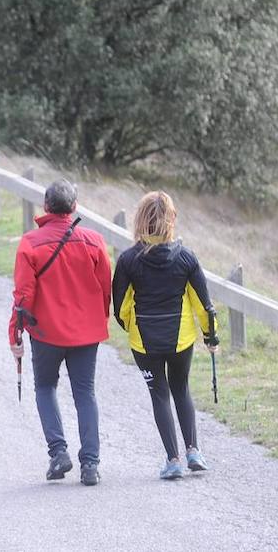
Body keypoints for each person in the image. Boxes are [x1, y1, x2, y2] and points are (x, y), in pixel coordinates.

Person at [8, 180, 112, 487]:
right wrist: (97, 318)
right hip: (85, 333)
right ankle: (90, 464)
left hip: (45, 331)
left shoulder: (30, 243)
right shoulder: (94, 241)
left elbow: (23, 295)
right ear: (75, 207)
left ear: (45, 207)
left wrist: (15, 332)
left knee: (44, 388)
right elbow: (105, 287)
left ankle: (58, 453)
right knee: (85, 393)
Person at [112, 190, 219, 480]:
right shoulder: (186, 257)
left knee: (159, 394)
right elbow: (203, 304)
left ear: (140, 219)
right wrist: (211, 337)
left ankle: (173, 460)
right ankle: (193, 451)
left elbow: (120, 308)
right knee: (181, 388)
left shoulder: (128, 260)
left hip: (144, 341)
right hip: (180, 338)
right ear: (172, 219)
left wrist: (131, 328)